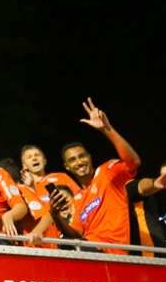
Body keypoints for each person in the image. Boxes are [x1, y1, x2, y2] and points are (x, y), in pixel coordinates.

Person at [49, 98, 140, 255]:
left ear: (89, 157)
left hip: (109, 251)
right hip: (88, 249)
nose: (79, 162)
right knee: (61, 247)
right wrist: (55, 215)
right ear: (67, 167)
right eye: (72, 160)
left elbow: (134, 162)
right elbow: (76, 234)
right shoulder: (78, 198)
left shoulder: (107, 172)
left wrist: (108, 130)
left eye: (82, 156)